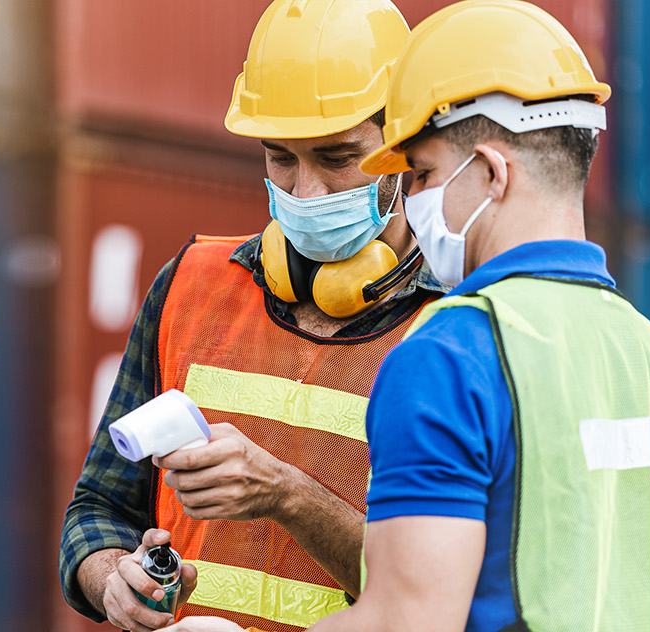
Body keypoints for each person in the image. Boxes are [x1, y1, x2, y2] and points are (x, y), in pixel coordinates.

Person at [168, 1, 650, 631]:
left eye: (422, 173)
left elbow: (409, 621)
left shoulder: (453, 353)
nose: (415, 200)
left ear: (489, 172)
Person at [58, 1, 452, 630]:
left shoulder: (456, 329)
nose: (305, 193)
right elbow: (98, 508)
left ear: (405, 147)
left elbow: (442, 595)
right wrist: (113, 581)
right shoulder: (188, 285)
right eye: (281, 158)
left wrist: (287, 495)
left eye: (336, 157)